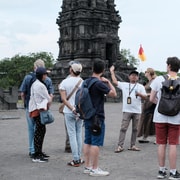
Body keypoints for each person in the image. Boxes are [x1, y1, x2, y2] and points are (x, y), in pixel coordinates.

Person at [83, 60, 117, 176]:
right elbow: (114, 94)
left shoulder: (86, 81)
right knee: (95, 143)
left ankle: (87, 166)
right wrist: (108, 82)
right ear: (103, 70)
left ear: (92, 68)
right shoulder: (99, 83)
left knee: (87, 141)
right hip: (97, 116)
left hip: (87, 115)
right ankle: (95, 168)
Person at [150, 57, 180, 179]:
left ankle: (161, 171)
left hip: (160, 116)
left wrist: (159, 104)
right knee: (173, 144)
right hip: (176, 117)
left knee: (161, 143)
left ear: (168, 66)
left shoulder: (158, 79)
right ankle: (173, 172)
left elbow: (151, 98)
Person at [19, 59, 54, 158]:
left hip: (30, 106)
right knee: (39, 129)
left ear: (35, 67)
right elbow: (51, 95)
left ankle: (32, 149)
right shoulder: (47, 79)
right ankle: (37, 150)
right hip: (42, 107)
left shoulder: (28, 77)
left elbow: (22, 93)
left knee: (31, 128)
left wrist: (25, 104)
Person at [110, 65, 147, 153]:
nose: (134, 76)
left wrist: (140, 94)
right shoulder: (125, 85)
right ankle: (120, 145)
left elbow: (145, 97)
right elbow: (115, 82)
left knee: (135, 129)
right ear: (129, 76)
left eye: (136, 75)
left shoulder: (141, 87)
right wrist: (112, 72)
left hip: (137, 110)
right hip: (127, 110)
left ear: (138, 78)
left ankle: (133, 145)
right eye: (132, 75)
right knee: (123, 128)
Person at [59, 61, 84, 167]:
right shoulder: (83, 82)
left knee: (72, 135)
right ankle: (79, 156)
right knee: (79, 134)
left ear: (71, 70)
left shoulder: (64, 82)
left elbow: (64, 99)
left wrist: (72, 108)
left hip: (69, 111)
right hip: (80, 111)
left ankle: (76, 159)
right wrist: (77, 109)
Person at [29, 67, 53, 162]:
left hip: (35, 109)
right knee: (40, 132)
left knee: (39, 131)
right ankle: (37, 155)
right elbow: (48, 98)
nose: (46, 76)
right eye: (45, 74)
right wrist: (51, 96)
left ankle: (38, 152)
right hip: (39, 110)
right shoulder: (41, 86)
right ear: (42, 75)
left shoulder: (35, 83)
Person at [137, 68, 157, 143]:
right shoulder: (149, 81)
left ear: (149, 73)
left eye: (146, 71)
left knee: (151, 119)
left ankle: (155, 137)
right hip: (147, 101)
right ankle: (145, 136)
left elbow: (155, 91)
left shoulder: (154, 81)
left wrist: (145, 94)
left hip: (151, 102)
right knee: (146, 119)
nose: (145, 73)